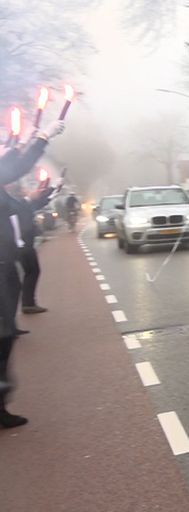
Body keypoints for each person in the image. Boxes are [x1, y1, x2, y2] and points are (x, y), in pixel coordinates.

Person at [0, 121, 61, 429]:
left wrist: (46, 190)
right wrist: (41, 137)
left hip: (6, 262)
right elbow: (13, 168)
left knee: (6, 331)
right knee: (3, 333)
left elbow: (17, 194)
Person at [6, 181, 54, 317]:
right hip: (23, 245)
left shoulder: (20, 203)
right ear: (20, 191)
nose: (28, 190)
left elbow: (41, 201)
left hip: (24, 244)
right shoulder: (17, 204)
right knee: (32, 271)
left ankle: (28, 303)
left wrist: (53, 188)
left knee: (31, 272)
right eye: (25, 188)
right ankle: (27, 304)